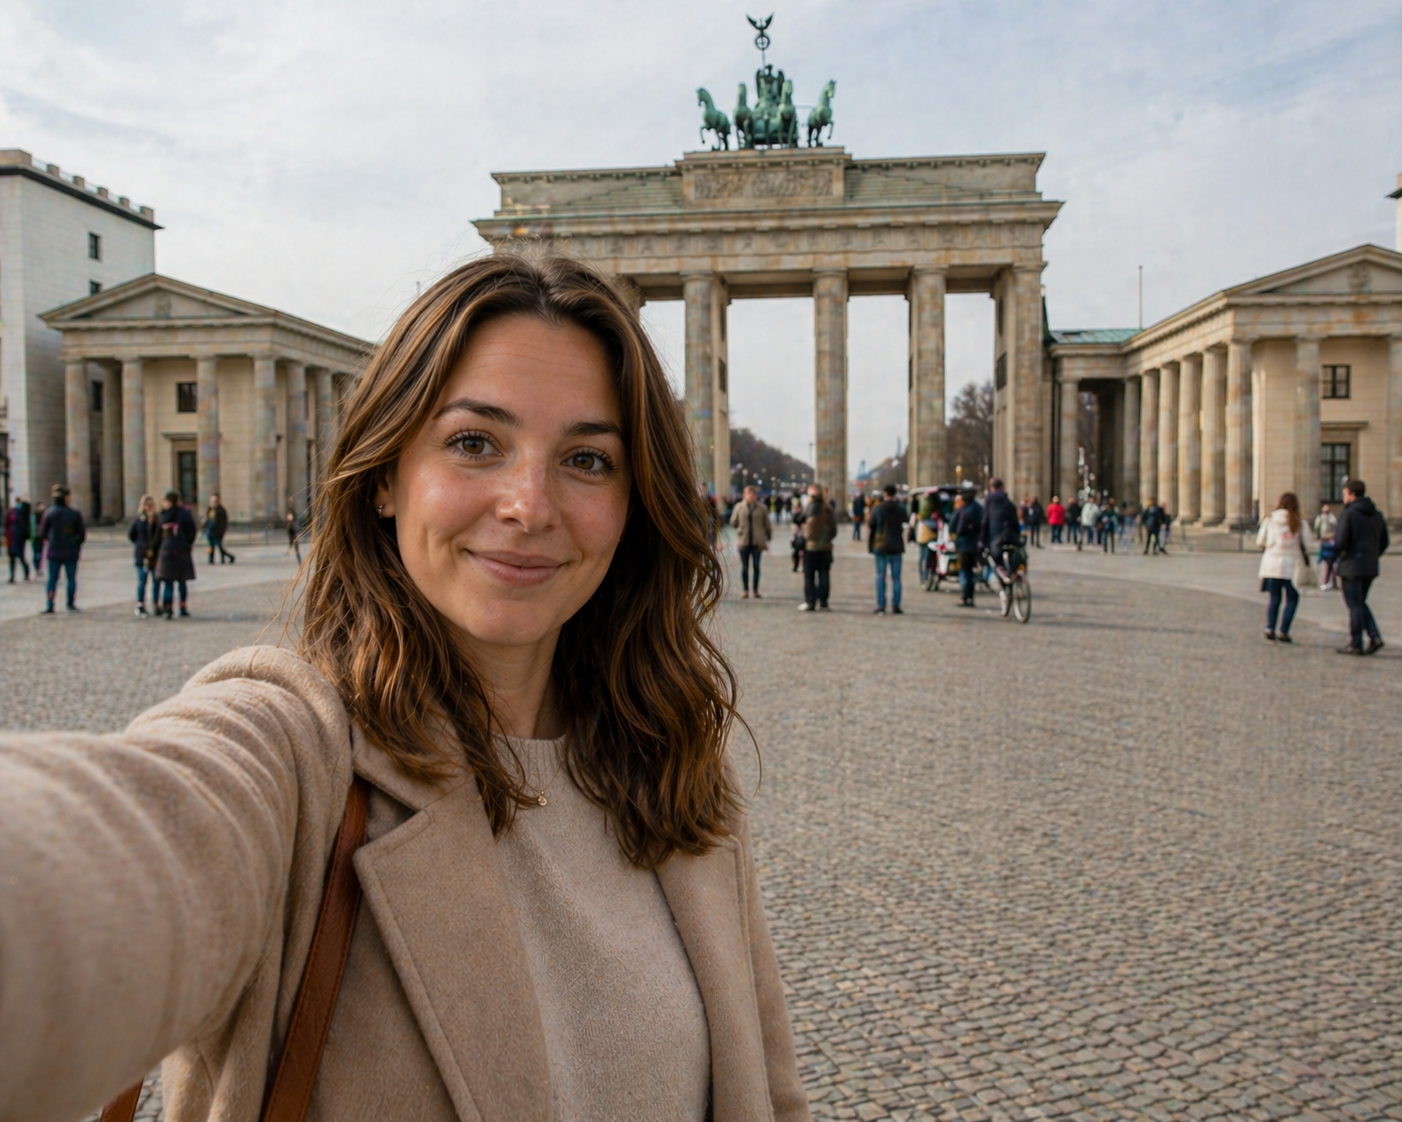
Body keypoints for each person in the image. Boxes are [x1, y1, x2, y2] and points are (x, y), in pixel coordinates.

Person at [0, 256, 808, 1122]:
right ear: (385, 475)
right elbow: (120, 850)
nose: (529, 504)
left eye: (586, 458)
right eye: (474, 443)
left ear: (634, 501)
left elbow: (769, 1091)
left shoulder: (676, 767)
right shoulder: (293, 752)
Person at [1333, 478, 1389, 655]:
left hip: (1351, 566)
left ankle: (1356, 643)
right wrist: (1372, 555)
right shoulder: (1377, 514)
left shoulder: (1348, 514)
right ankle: (1374, 636)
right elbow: (1384, 541)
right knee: (1360, 602)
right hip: (1370, 566)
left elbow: (1341, 541)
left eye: (1344, 493)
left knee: (1355, 604)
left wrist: (1336, 554)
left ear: (1352, 494)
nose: (1343, 497)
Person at [1256, 491, 1314, 643]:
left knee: (1274, 598)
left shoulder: (1269, 521)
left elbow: (1260, 541)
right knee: (1292, 599)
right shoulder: (1300, 523)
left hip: (1271, 566)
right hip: (1293, 566)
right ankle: (1283, 630)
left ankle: (1270, 627)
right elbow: (1308, 545)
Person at [36, 484, 85, 614]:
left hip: (54, 551)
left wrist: (51, 540)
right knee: (71, 579)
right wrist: (76, 543)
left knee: (52, 579)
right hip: (71, 551)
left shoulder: (49, 513)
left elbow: (42, 533)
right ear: (66, 497)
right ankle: (70, 604)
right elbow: (82, 534)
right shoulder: (74, 513)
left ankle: (49, 604)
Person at [154, 490, 198, 619]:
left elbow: (157, 536)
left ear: (168, 502)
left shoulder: (163, 516)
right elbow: (192, 532)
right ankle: (183, 607)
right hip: (182, 551)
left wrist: (156, 550)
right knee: (182, 581)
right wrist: (186, 544)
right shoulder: (184, 514)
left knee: (168, 582)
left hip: (167, 552)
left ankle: (168, 609)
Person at [869, 483, 906, 615]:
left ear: (884, 493)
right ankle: (896, 605)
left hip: (881, 545)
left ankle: (881, 605)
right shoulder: (901, 509)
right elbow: (905, 520)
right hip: (896, 545)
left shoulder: (877, 509)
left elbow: (871, 524)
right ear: (895, 494)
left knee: (880, 575)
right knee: (896, 577)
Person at [729, 483, 772, 599]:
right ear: (745, 495)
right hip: (744, 540)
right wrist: (740, 529)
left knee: (757, 566)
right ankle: (745, 590)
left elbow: (767, 523)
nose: (751, 496)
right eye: (749, 494)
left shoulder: (762, 507)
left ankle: (756, 590)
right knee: (744, 566)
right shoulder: (739, 507)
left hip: (757, 542)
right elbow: (733, 521)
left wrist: (768, 534)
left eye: (753, 494)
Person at [799, 482, 835, 611]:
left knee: (809, 575)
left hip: (811, 547)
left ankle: (810, 601)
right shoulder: (828, 509)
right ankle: (824, 602)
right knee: (824, 575)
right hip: (826, 547)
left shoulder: (810, 508)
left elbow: (801, 522)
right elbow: (834, 531)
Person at [127, 493, 160, 618]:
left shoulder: (158, 519)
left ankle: (156, 603)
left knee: (156, 581)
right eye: (147, 505)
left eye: (151, 505)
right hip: (141, 555)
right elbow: (131, 535)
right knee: (142, 580)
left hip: (155, 555)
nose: (149, 508)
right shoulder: (138, 519)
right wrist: (141, 544)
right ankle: (140, 605)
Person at [949, 489, 983, 607]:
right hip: (975, 545)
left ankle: (964, 597)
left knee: (964, 571)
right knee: (972, 572)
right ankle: (971, 597)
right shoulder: (979, 509)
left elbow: (952, 526)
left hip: (963, 545)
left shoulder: (961, 510)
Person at [980, 478, 1021, 576]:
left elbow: (985, 519)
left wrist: (982, 538)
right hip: (1010, 535)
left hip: (996, 535)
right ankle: (1012, 574)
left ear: (992, 488)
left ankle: (1004, 579)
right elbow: (1015, 519)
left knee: (993, 559)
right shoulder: (1007, 500)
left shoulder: (989, 498)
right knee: (1010, 558)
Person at [5, 494, 31, 582]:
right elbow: (6, 524)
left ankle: (26, 573)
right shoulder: (11, 512)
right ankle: (12, 576)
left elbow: (27, 510)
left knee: (21, 557)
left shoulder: (23, 511)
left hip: (19, 539)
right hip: (11, 539)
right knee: (12, 559)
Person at [1314, 502, 1338, 590]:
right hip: (1323, 540)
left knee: (1332, 565)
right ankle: (1325, 582)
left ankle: (1332, 582)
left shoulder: (1332, 518)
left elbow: (1334, 524)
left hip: (1331, 540)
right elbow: (1317, 527)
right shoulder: (1320, 518)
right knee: (1326, 565)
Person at [204, 492, 234, 564]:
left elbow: (220, 522)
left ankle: (229, 557)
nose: (213, 503)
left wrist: (220, 531)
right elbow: (208, 519)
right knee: (211, 546)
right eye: (211, 501)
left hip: (217, 532)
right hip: (211, 531)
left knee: (219, 546)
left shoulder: (220, 510)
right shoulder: (211, 510)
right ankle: (211, 559)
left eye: (214, 501)